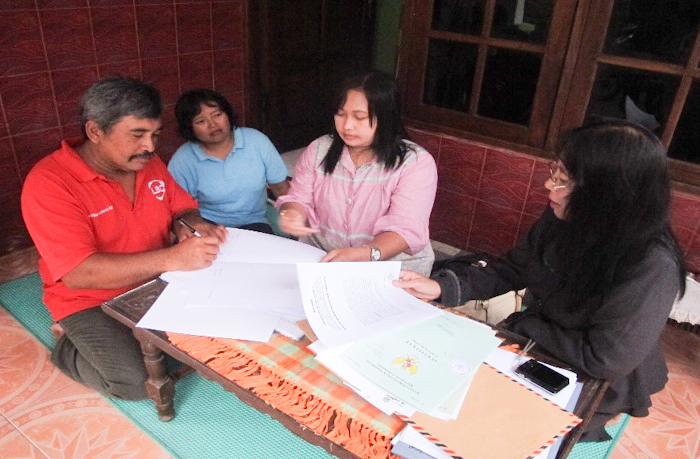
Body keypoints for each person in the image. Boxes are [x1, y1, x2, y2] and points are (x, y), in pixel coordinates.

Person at [394, 120, 686, 441]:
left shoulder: (651, 266)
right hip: (535, 343)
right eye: (554, 172)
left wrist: (525, 326)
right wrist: (442, 287)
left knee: (492, 432)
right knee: (432, 391)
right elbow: (514, 267)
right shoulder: (569, 215)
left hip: (590, 376)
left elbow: (603, 360)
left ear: (608, 195)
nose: (549, 185)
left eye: (564, 180)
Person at [21, 77, 227, 400]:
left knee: (216, 339)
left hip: (158, 281)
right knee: (138, 382)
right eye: (137, 134)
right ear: (95, 131)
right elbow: (79, 273)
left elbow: (181, 207)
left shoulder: (147, 163)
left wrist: (192, 223)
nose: (150, 147)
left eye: (155, 134)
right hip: (90, 299)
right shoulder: (49, 184)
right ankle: (67, 348)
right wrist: (173, 258)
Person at [276, 70, 438, 275]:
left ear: (386, 117)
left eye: (360, 117)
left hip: (391, 267)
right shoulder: (319, 149)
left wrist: (365, 253)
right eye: (341, 114)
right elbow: (298, 198)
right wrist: (292, 213)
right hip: (324, 257)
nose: (347, 125)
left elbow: (405, 230)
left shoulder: (414, 163)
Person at [168, 89, 290, 234]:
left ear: (228, 114)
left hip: (254, 221)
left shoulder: (256, 141)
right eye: (201, 121)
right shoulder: (183, 159)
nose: (212, 124)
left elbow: (281, 188)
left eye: (217, 115)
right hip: (207, 225)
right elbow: (176, 208)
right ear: (189, 128)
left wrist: (291, 213)